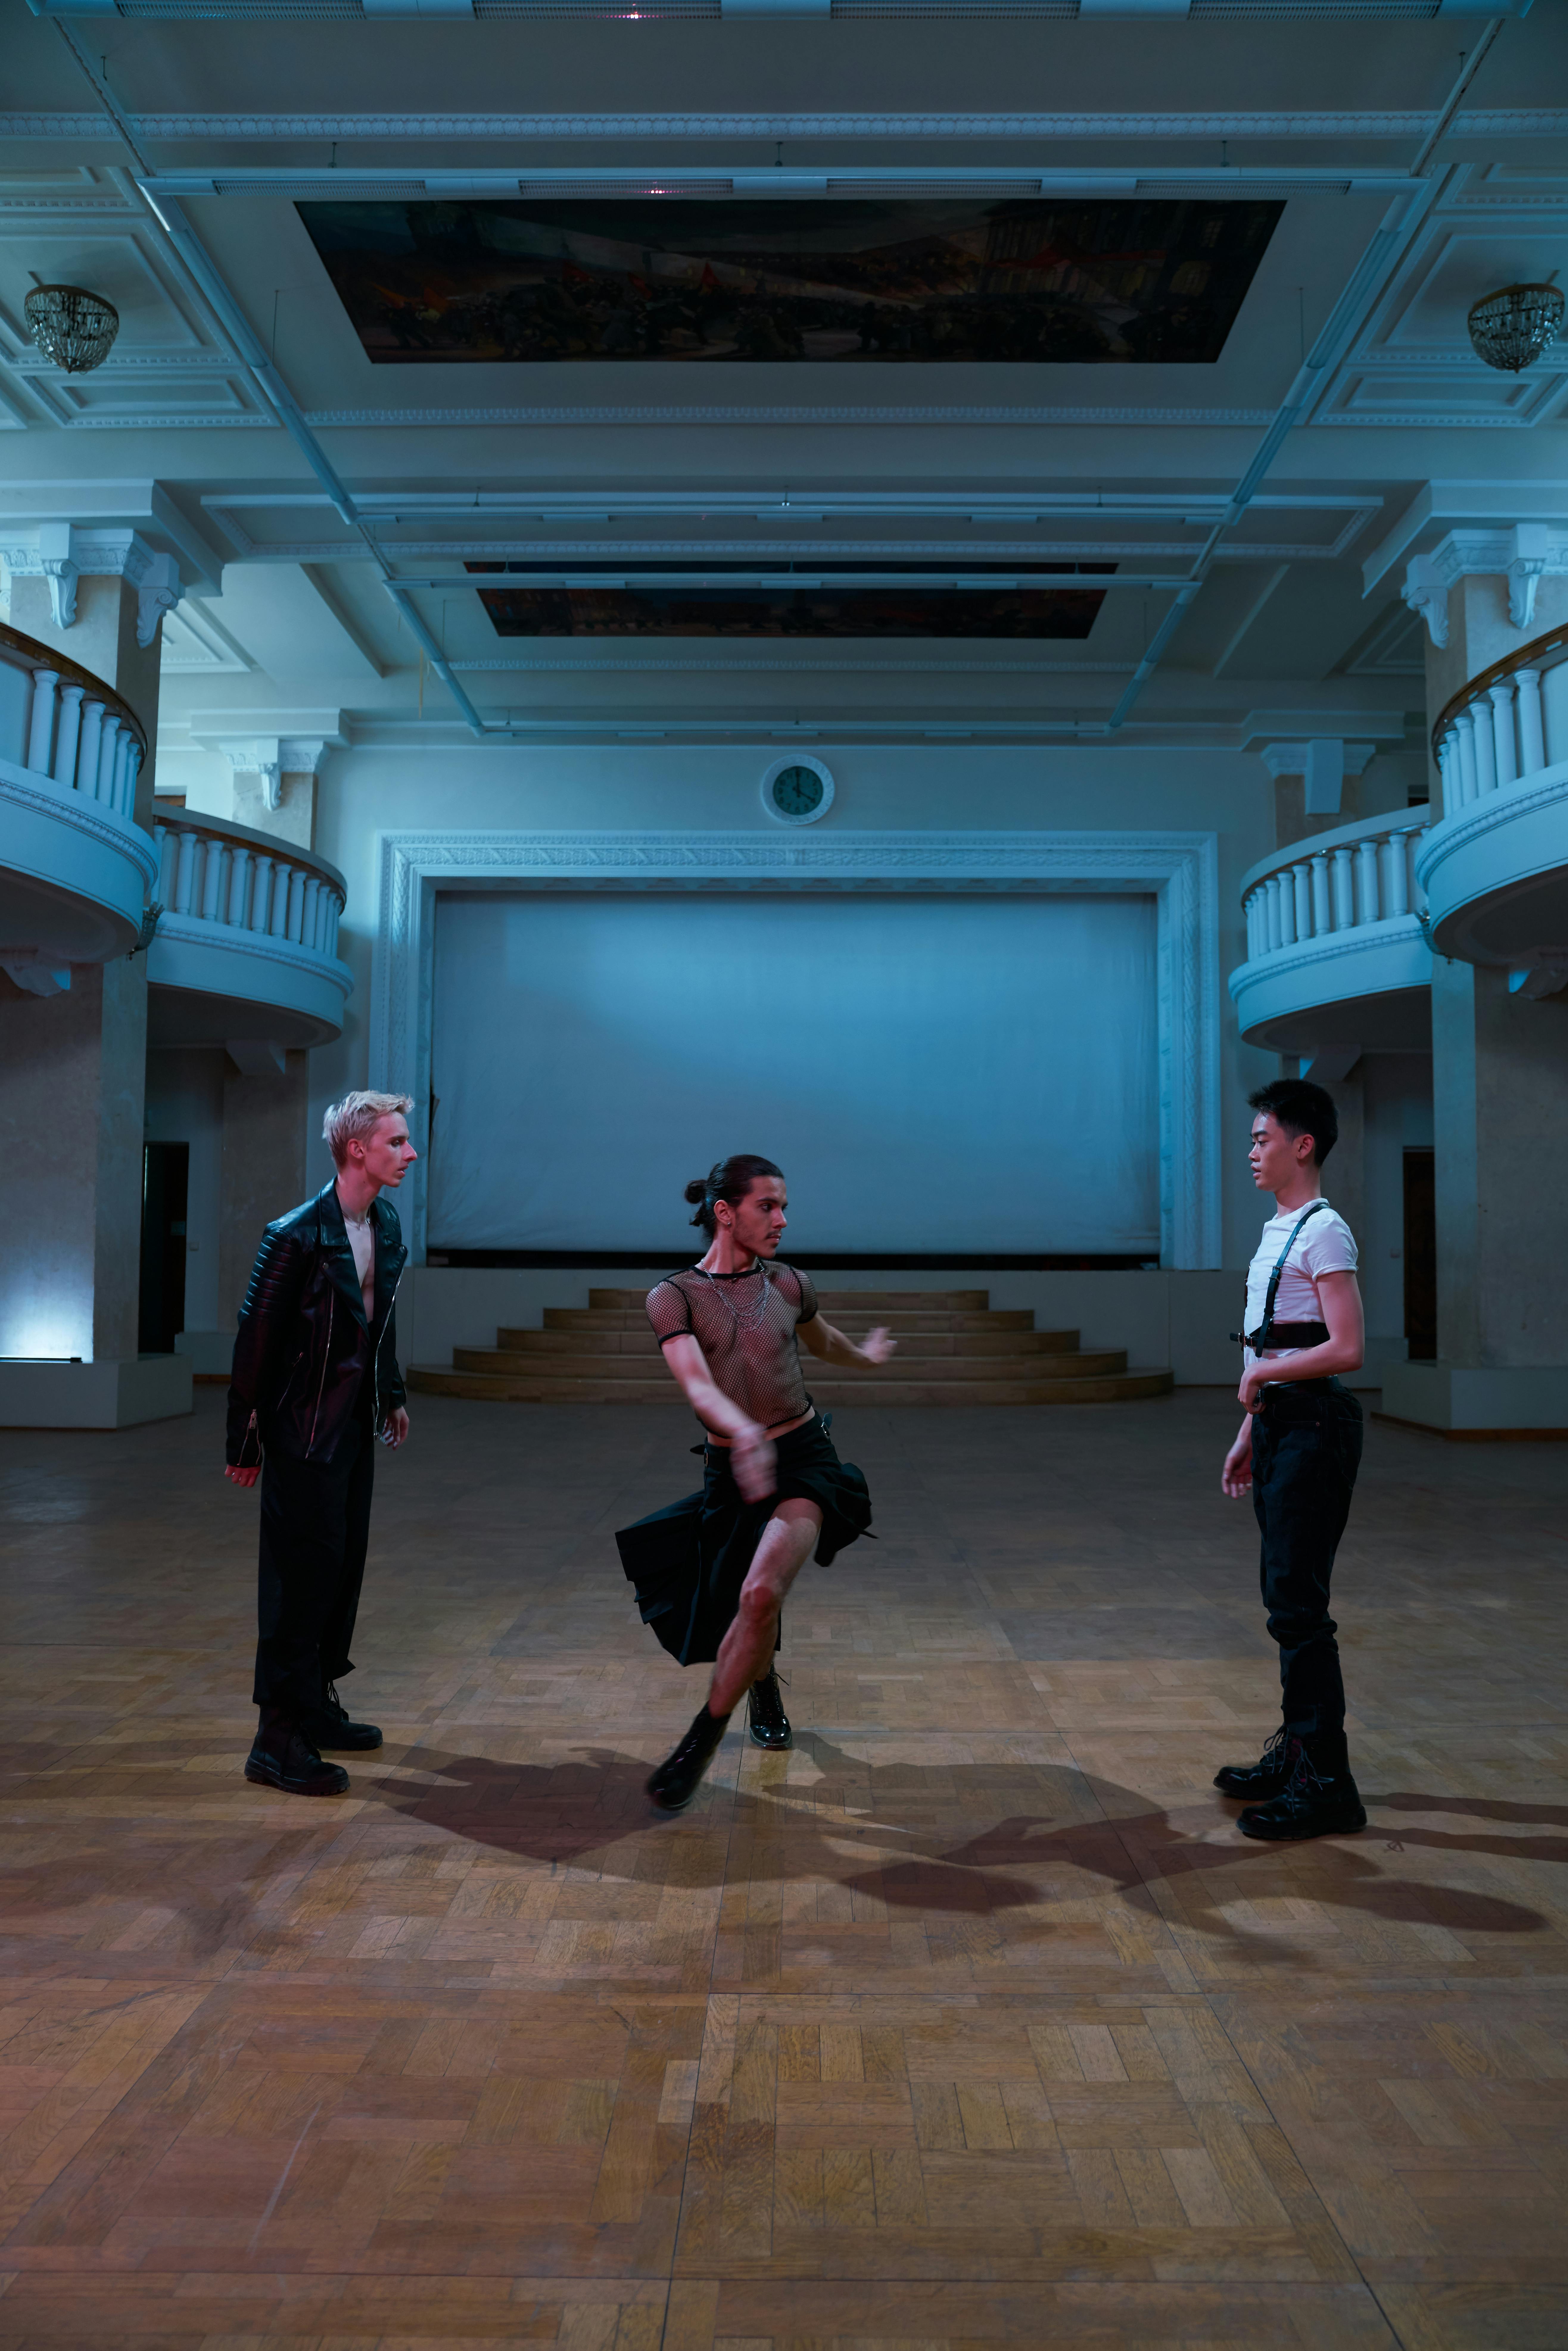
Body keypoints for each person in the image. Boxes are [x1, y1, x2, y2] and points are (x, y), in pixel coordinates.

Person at [617, 1155, 896, 1813]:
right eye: (767, 1206)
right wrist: (742, 1433)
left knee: (762, 1589)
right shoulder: (674, 1296)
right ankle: (761, 1678)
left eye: (784, 1206)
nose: (782, 1220)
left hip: (802, 1457)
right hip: (731, 1470)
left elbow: (822, 1342)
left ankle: (697, 1743)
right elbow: (696, 1384)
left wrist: (864, 1356)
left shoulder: (790, 1283)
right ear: (725, 1212)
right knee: (742, 1605)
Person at [225, 1090, 416, 1797]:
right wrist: (244, 1440)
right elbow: (255, 1342)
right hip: (301, 1433)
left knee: (340, 1570)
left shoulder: (383, 1222)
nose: (410, 1152)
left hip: (350, 1425)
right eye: (396, 1141)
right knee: (298, 1581)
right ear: (357, 1150)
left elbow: (376, 1320)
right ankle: (276, 1738)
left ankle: (314, 1703)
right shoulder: (295, 1234)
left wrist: (390, 1392)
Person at [1217, 1078, 1368, 1841]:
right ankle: (1299, 1756)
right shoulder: (1279, 1227)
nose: (1251, 1151)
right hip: (1282, 1423)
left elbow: (1346, 1347)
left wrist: (1262, 1381)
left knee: (1299, 1607)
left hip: (1314, 1424)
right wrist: (1250, 1427)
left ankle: (1327, 1784)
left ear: (1300, 1145)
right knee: (1285, 1600)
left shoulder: (1323, 1231)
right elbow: (1275, 1342)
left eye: (1261, 1138)